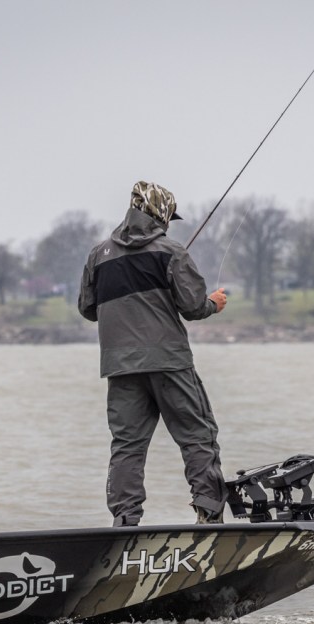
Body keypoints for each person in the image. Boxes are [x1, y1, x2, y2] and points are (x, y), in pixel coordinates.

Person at [78, 181, 229, 527]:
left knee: (127, 446)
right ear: (160, 213)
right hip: (169, 363)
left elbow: (88, 308)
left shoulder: (98, 256)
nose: (168, 225)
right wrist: (214, 304)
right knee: (197, 436)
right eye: (168, 218)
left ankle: (124, 521)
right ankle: (209, 515)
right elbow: (192, 307)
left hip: (120, 368)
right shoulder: (171, 251)